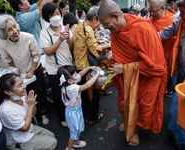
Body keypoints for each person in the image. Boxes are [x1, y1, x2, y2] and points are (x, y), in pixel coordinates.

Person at [98, 0, 166, 146]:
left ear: (116, 16)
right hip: (128, 79)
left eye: (106, 25)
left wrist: (125, 68)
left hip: (146, 78)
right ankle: (130, 124)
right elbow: (121, 54)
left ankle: (136, 131)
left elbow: (157, 67)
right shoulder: (117, 30)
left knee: (141, 108)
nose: (107, 30)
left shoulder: (142, 28)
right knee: (126, 103)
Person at [0, 14, 49, 125]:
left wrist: (31, 71)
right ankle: (28, 115)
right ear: (3, 33)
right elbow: (6, 58)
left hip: (35, 69)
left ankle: (42, 113)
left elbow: (36, 56)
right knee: (23, 93)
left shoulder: (28, 37)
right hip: (19, 72)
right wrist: (15, 70)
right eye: (9, 30)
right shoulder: (1, 41)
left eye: (15, 26)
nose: (15, 31)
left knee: (38, 92)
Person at [0, 73, 57, 150]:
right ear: (8, 92)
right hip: (18, 139)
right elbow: (25, 128)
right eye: (19, 85)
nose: (25, 86)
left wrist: (32, 103)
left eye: (22, 82)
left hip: (29, 129)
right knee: (53, 142)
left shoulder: (21, 97)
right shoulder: (6, 110)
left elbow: (33, 114)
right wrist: (30, 106)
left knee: (51, 135)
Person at [73, 6, 111, 123]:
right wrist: (108, 46)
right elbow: (95, 49)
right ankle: (92, 117)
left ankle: (84, 115)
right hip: (87, 66)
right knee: (92, 93)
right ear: (94, 19)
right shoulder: (88, 29)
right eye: (99, 21)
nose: (99, 25)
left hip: (78, 65)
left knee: (84, 94)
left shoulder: (79, 26)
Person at [40, 2, 73, 127]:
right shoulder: (44, 33)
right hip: (54, 69)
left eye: (58, 13)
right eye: (52, 14)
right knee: (58, 95)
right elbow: (48, 51)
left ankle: (71, 113)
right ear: (47, 17)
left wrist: (69, 39)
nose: (56, 16)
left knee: (70, 91)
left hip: (68, 66)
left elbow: (72, 48)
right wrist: (59, 39)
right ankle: (61, 118)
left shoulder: (66, 28)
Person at [57, 65, 100, 150]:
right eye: (75, 74)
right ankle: (69, 147)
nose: (77, 75)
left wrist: (88, 68)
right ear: (69, 80)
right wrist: (97, 75)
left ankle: (76, 141)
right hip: (73, 113)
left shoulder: (66, 83)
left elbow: (80, 74)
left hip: (74, 110)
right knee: (73, 133)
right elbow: (87, 85)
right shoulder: (72, 88)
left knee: (75, 129)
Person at [158, 0, 185, 85]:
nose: (180, 15)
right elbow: (161, 35)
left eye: (183, 12)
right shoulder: (179, 22)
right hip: (182, 74)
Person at [148, 0, 176, 95]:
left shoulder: (171, 20)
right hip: (151, 56)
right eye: (150, 11)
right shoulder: (150, 20)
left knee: (163, 79)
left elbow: (175, 40)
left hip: (166, 54)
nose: (152, 14)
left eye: (154, 12)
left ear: (163, 8)